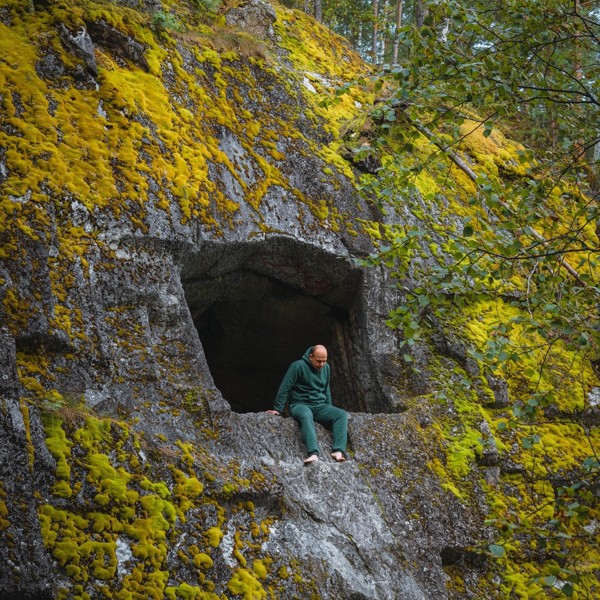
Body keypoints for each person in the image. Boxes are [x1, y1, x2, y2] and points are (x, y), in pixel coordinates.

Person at [266, 345, 348, 464]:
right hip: (300, 405)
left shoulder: (326, 368)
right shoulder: (297, 366)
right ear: (310, 357)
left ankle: (338, 451)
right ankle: (313, 453)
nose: (322, 364)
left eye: (324, 361)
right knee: (306, 414)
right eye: (318, 361)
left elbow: (326, 390)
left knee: (341, 414)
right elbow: (285, 387)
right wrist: (278, 409)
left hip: (320, 406)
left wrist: (329, 408)